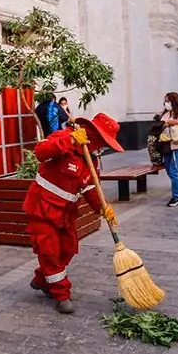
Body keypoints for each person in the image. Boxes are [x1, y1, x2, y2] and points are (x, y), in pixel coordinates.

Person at [24, 112, 122, 314]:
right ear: (93, 134)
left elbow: (89, 188)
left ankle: (42, 280)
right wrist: (69, 140)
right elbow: (41, 151)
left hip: (65, 213)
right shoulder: (64, 136)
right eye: (103, 142)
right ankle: (61, 294)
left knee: (67, 249)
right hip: (42, 208)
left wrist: (103, 208)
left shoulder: (91, 161)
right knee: (50, 251)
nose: (102, 147)